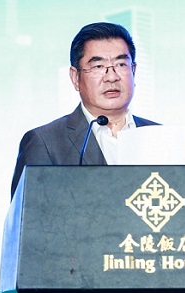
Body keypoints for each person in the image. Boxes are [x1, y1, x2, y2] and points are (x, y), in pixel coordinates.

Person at [11, 22, 158, 198]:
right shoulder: (45, 143)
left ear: (133, 71)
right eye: (98, 66)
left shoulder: (160, 137)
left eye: (121, 64)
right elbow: (30, 212)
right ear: (75, 77)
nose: (112, 77)